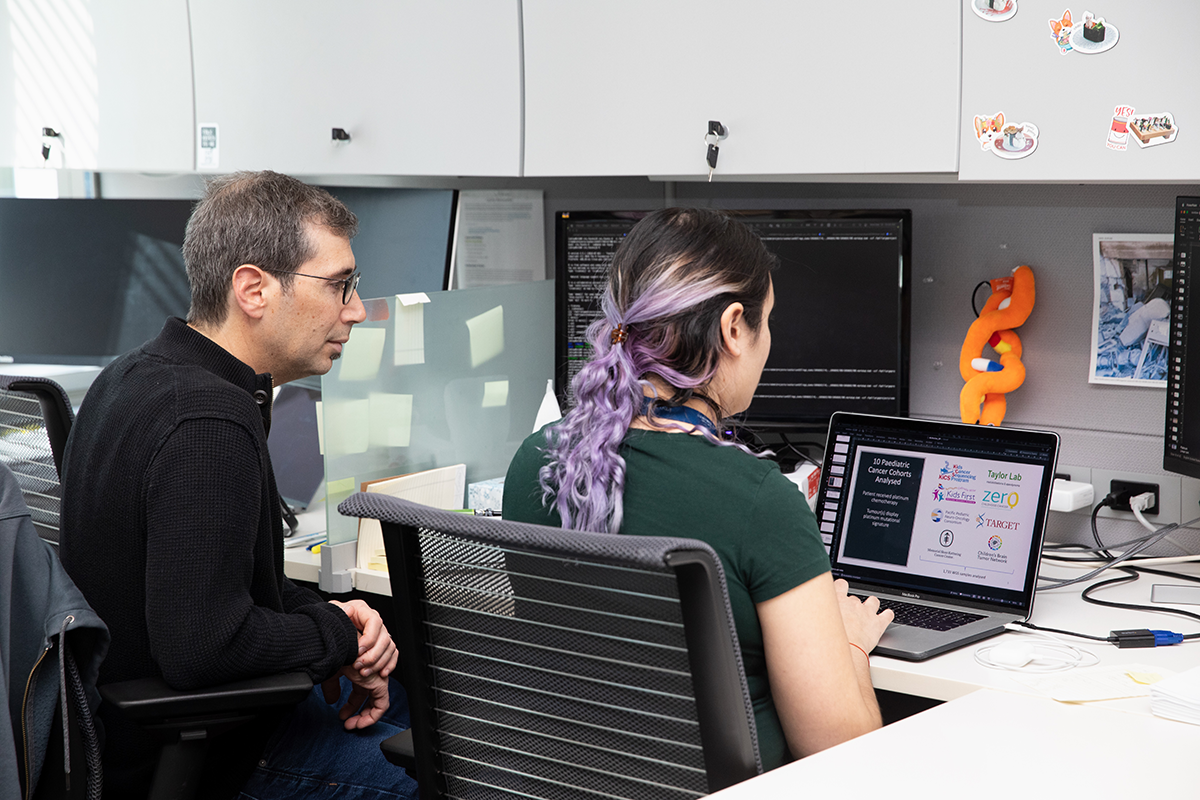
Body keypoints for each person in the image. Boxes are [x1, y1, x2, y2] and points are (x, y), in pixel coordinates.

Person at [59, 171, 415, 799]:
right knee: (470, 770)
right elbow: (204, 645)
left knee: (420, 709)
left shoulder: (132, 375)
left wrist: (340, 620)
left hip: (125, 736)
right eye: (340, 286)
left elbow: (235, 588)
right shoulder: (207, 420)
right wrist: (337, 634)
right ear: (254, 289)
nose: (356, 309)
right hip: (208, 757)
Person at [503, 207, 894, 769]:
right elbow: (840, 754)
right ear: (735, 327)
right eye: (769, 322)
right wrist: (850, 645)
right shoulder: (761, 500)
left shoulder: (536, 460)